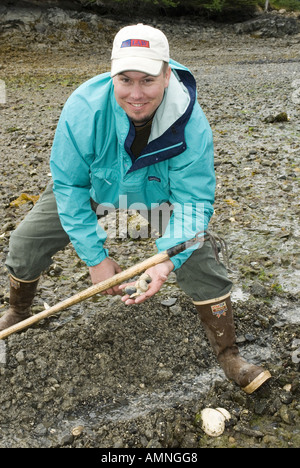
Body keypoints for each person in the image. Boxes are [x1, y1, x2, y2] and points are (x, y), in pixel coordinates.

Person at [1, 24, 271, 394]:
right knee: (26, 242)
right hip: (98, 187)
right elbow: (69, 186)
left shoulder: (190, 124)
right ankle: (19, 310)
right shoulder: (83, 109)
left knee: (197, 257)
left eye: (147, 80)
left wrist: (164, 261)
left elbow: (193, 204)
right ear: (113, 76)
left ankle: (228, 354)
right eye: (125, 80)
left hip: (158, 197)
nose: (136, 94)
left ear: (167, 74)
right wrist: (96, 259)